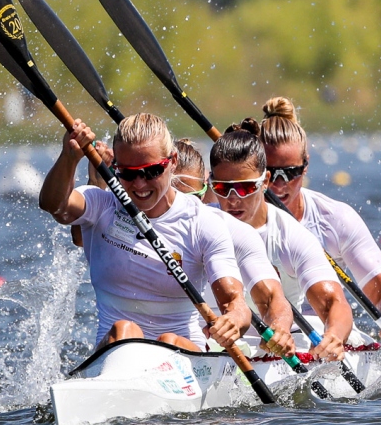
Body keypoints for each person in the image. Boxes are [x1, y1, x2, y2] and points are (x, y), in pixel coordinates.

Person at [39, 113, 252, 353]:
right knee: (124, 330)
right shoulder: (101, 205)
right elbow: (54, 205)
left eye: (151, 172)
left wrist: (232, 321)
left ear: (172, 161)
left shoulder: (201, 223)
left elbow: (236, 303)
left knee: (168, 341)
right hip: (116, 350)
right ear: (115, 167)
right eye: (128, 173)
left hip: (183, 356)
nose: (139, 185)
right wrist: (69, 158)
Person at [258, 97, 381, 348]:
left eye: (290, 173)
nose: (279, 183)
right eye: (270, 172)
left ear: (305, 165)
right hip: (263, 332)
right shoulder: (235, 216)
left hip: (326, 333)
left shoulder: (335, 219)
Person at [209, 124, 355, 361]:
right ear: (210, 182)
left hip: (278, 343)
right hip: (215, 341)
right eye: (222, 188)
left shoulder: (292, 236)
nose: (233, 199)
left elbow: (333, 303)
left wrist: (334, 337)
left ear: (265, 181)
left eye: (245, 187)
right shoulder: (200, 223)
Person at [171, 139, 295, 358]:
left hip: (200, 348)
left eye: (188, 199)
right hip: (134, 342)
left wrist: (280, 329)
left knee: (169, 340)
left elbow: (270, 299)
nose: (178, 209)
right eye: (169, 198)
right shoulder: (125, 224)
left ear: (203, 193)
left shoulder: (234, 231)